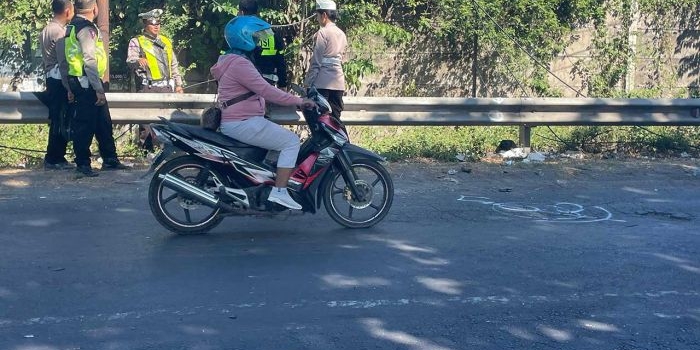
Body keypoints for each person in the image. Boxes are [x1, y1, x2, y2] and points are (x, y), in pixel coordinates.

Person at [211, 16, 315, 210]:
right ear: (244, 38)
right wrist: (299, 101)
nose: (259, 42)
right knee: (291, 142)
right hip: (243, 122)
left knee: (276, 143)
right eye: (256, 38)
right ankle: (279, 192)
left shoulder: (230, 59)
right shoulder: (240, 64)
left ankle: (262, 183)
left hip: (240, 120)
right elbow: (266, 91)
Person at [60, 0, 127, 177]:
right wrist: (98, 88)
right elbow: (90, 60)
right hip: (87, 82)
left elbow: (65, 60)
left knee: (103, 122)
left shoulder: (71, 27)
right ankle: (82, 164)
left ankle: (110, 158)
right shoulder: (86, 29)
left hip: (79, 81)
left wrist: (69, 86)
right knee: (85, 124)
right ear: (95, 8)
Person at [126, 8, 184, 152]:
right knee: (146, 124)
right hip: (149, 88)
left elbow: (174, 64)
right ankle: (146, 152)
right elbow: (130, 60)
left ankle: (166, 151)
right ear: (145, 25)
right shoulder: (137, 41)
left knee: (167, 122)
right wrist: (138, 60)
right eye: (153, 23)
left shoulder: (166, 41)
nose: (156, 26)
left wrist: (179, 84)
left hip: (166, 88)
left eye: (158, 23)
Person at [39, 0, 74, 170]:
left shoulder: (46, 29)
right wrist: (68, 86)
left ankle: (54, 157)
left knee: (56, 118)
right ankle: (55, 157)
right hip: (59, 79)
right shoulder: (60, 32)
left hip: (50, 77)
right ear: (67, 11)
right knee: (60, 120)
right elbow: (62, 61)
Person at [304, 0, 347, 120]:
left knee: (322, 119)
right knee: (335, 119)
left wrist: (308, 83)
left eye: (317, 15)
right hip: (338, 82)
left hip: (322, 83)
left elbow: (316, 62)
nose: (317, 18)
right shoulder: (341, 33)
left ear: (324, 15)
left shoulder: (322, 33)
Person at [237, 0, 288, 89]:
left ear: (241, 12)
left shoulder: (236, 32)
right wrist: (283, 84)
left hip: (245, 83)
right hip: (268, 84)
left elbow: (225, 57)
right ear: (258, 12)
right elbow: (280, 61)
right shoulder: (271, 32)